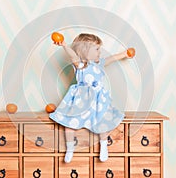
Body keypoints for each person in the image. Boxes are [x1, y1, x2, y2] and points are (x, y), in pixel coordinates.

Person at [49, 33, 134, 163]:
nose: (100, 52)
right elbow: (72, 55)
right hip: (81, 100)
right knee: (69, 124)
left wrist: (124, 54)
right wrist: (64, 45)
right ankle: (70, 148)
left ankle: (104, 145)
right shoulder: (81, 65)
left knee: (102, 121)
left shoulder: (100, 63)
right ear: (85, 50)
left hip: (97, 100)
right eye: (97, 49)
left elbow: (113, 58)